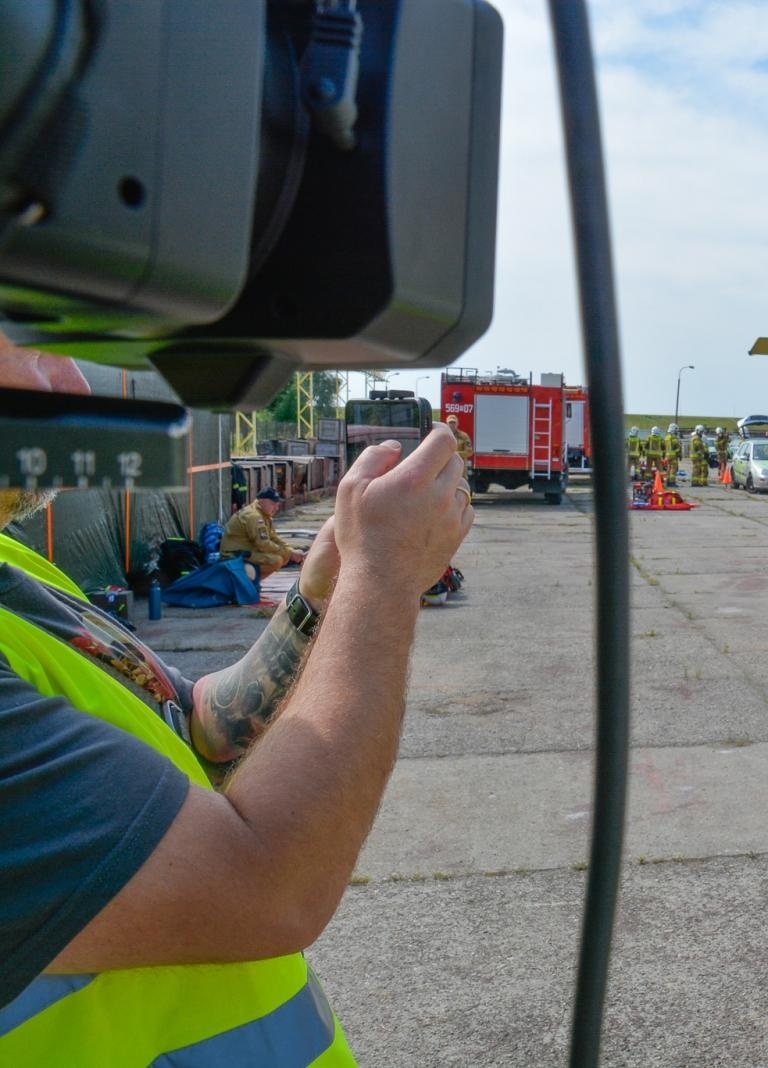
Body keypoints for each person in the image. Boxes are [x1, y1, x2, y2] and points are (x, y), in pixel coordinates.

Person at [0, 334, 474, 1061]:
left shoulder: (13, 567)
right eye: (23, 339)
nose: (67, 379)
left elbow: (196, 729)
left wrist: (320, 596)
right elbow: (269, 885)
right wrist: (383, 581)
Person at [219, 488, 304, 581]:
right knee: (276, 560)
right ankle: (248, 586)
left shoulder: (263, 514)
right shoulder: (254, 516)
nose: (276, 508)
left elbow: (273, 538)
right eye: (273, 504)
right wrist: (290, 553)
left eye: (277, 504)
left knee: (283, 556)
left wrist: (290, 550)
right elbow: (263, 544)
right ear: (261, 501)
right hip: (233, 555)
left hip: (245, 552)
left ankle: (251, 585)